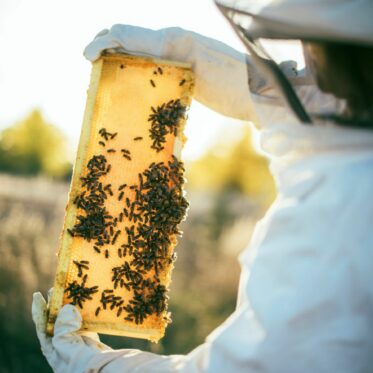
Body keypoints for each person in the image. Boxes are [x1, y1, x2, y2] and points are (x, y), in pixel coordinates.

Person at [32, 0, 373, 372]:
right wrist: (193, 58)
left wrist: (91, 364)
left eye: (317, 45)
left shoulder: (339, 212)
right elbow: (324, 112)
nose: (308, 57)